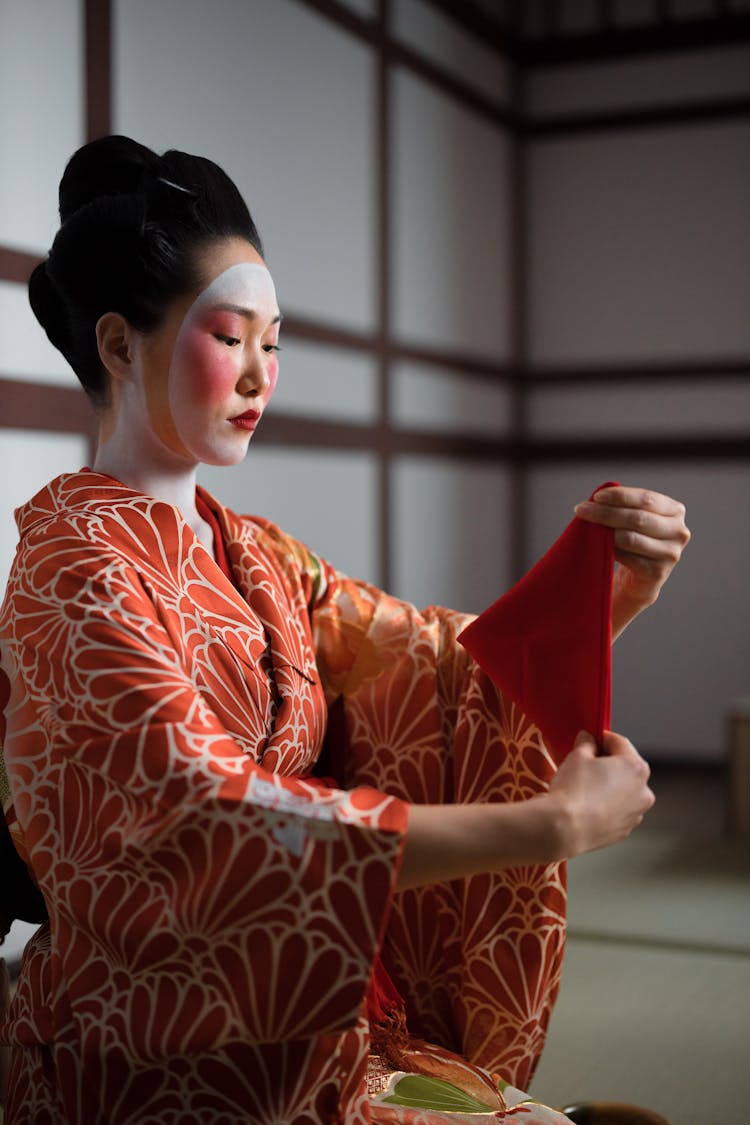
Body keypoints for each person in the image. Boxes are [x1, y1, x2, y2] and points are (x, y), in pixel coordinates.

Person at [0, 136, 689, 1124]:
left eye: (273, 343)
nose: (258, 376)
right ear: (116, 345)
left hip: (323, 1023)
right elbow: (194, 826)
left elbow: (438, 673)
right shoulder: (75, 571)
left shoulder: (256, 552)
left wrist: (603, 591)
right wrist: (556, 823)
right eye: (229, 337)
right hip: (164, 1053)